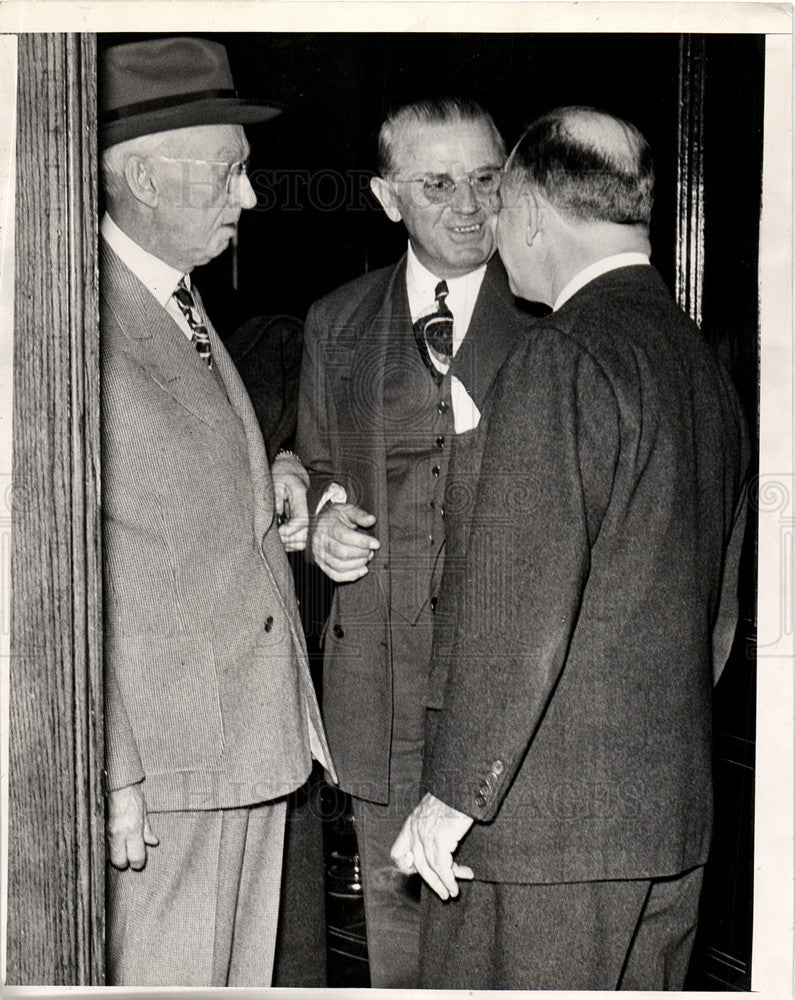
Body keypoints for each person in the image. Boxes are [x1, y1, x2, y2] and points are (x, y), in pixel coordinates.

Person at [392, 106, 750, 990]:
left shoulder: (561, 356)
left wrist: (450, 798)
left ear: (536, 213)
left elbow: (520, 605)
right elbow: (718, 615)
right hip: (663, 821)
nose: (497, 235)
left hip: (542, 837)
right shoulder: (698, 363)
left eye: (501, 208)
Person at [99, 36, 335, 987]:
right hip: (164, 772)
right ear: (145, 178)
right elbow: (60, 569)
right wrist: (111, 771)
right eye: (230, 172)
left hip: (240, 750)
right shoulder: (77, 324)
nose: (248, 196)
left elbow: (164, 487)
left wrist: (263, 471)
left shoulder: (176, 303)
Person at [294, 97, 525, 986]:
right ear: (388, 198)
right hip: (377, 701)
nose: (469, 206)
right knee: (396, 953)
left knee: (506, 949)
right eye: (437, 185)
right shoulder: (337, 322)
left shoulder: (553, 313)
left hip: (504, 701)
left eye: (485, 179)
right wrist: (321, 521)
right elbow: (318, 459)